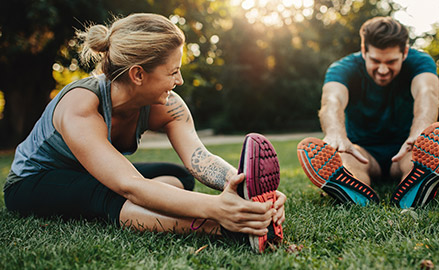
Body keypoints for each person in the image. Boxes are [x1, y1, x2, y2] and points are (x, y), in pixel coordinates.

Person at [3, 13, 285, 253]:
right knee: (112, 194)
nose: (180, 80)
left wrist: (246, 190)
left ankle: (151, 209)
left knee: (180, 177)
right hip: (34, 181)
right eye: (172, 72)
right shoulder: (81, 106)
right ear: (138, 74)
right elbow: (129, 185)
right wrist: (218, 209)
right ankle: (223, 230)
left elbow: (199, 158)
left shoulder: (167, 104)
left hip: (90, 174)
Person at [297, 17, 439, 208]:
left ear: (404, 52)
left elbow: (426, 93)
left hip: (405, 148)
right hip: (362, 151)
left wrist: (420, 133)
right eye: (375, 60)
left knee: (416, 159)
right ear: (364, 51)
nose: (382, 69)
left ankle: (416, 184)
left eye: (390, 62)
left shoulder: (420, 62)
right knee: (347, 160)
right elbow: (332, 100)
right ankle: (354, 189)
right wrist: (335, 134)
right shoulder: (342, 68)